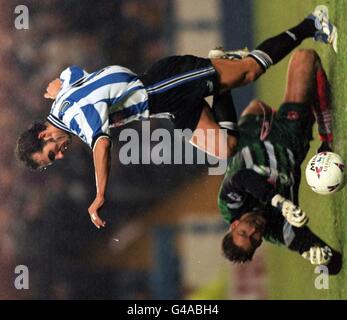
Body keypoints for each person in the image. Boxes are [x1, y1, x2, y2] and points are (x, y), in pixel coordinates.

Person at [16, 5, 337, 229]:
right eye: (53, 161)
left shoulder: (78, 119)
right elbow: (71, 72)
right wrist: (59, 86)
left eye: (51, 153)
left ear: (44, 135)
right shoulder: (59, 107)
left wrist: (99, 195)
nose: (60, 154)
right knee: (225, 149)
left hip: (166, 84)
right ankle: (220, 68)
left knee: (250, 71)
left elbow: (101, 145)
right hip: (165, 106)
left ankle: (313, 23)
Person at [218, 48, 342, 274]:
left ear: (234, 225)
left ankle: (223, 67)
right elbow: (334, 264)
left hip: (254, 135)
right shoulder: (278, 231)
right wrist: (321, 257)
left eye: (244, 232)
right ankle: (326, 134)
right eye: (254, 240)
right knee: (306, 58)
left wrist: (279, 202)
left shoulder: (230, 205)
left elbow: (243, 178)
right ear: (259, 244)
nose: (253, 232)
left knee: (255, 107)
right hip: (289, 139)